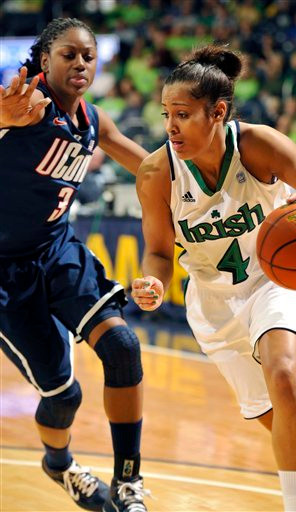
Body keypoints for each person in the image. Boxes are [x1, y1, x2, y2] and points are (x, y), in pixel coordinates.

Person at [131, 45, 296, 512]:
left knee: (284, 373)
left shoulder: (259, 144)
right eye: (166, 114)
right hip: (214, 304)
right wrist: (154, 282)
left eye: (182, 114)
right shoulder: (156, 173)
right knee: (281, 419)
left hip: (275, 280)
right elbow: (159, 252)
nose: (170, 127)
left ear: (217, 112)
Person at [0, 18, 150, 512]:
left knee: (124, 346)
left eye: (88, 56)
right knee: (63, 396)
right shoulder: (18, 103)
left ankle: (128, 480)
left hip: (57, 250)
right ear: (45, 59)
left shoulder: (92, 120)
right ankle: (59, 464)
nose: (81, 63)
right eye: (69, 54)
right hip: (5, 273)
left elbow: (153, 170)